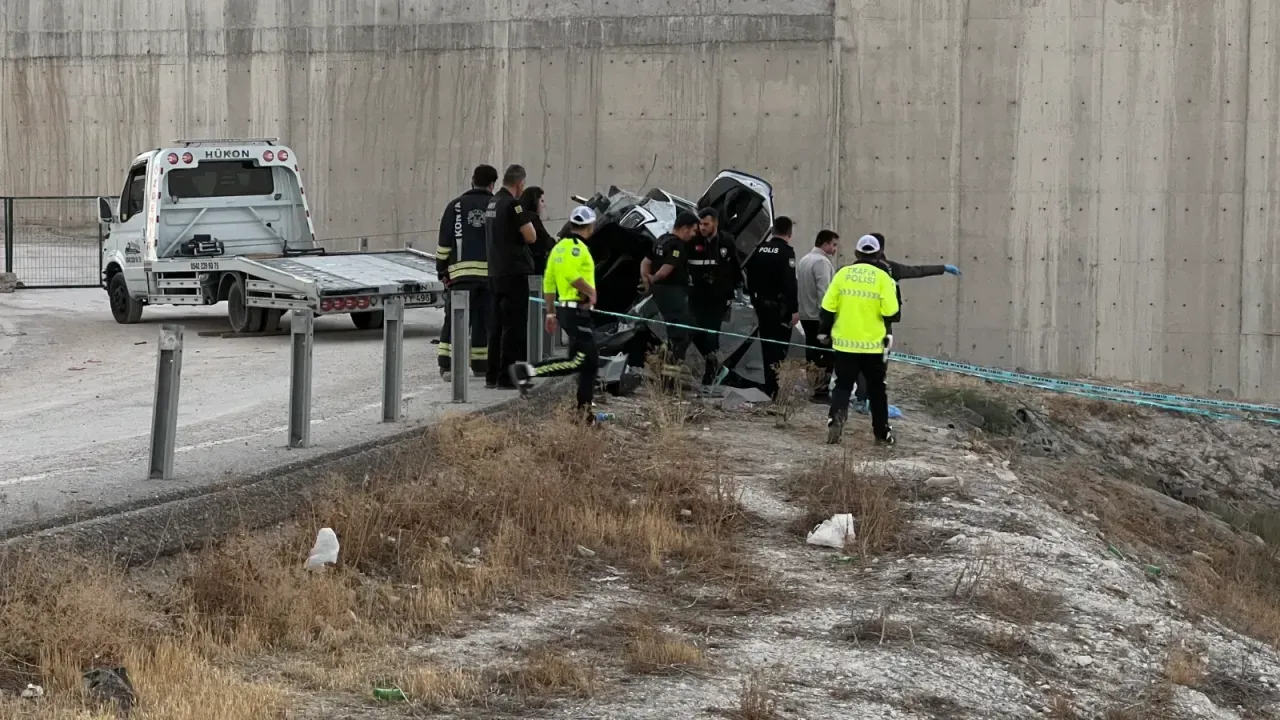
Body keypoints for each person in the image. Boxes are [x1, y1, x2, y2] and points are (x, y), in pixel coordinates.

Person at [851, 231, 962, 412]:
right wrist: (943, 268)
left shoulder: (851, 271)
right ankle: (869, 400)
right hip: (881, 323)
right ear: (881, 249)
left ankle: (861, 399)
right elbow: (917, 271)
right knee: (878, 363)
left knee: (859, 363)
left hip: (856, 321)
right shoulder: (889, 269)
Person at [510, 206, 600, 421]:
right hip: (577, 310)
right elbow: (570, 274)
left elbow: (549, 282)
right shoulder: (577, 248)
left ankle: (584, 414)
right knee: (579, 361)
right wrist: (591, 291)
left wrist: (551, 313)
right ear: (590, 226)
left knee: (589, 363)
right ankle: (528, 371)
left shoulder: (558, 248)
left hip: (566, 310)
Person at [818, 233, 900, 445]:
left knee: (843, 385)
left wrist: (824, 331)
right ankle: (881, 433)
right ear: (878, 254)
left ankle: (836, 419)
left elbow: (827, 306)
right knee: (877, 389)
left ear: (856, 253)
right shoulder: (883, 278)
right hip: (873, 346)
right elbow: (892, 312)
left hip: (845, 343)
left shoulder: (843, 274)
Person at [435, 164, 498, 380]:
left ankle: (447, 366)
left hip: (460, 278)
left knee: (455, 320)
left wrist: (442, 270)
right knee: (484, 321)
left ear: (472, 181)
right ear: (492, 184)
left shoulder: (455, 206)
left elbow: (444, 244)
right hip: (489, 277)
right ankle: (481, 365)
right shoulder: (496, 205)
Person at [484, 164, 538, 389]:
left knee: (496, 327)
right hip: (514, 272)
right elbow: (531, 236)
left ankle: (492, 376)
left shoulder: (493, 202)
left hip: (495, 271)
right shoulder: (513, 204)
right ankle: (508, 377)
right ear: (520, 183)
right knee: (514, 327)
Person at [744, 216, 799, 400]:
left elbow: (750, 277)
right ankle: (775, 390)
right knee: (779, 350)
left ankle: (769, 387)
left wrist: (754, 300)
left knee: (766, 347)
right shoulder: (786, 252)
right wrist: (794, 309)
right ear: (789, 233)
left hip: (761, 306)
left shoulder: (759, 249)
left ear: (773, 230)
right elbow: (790, 283)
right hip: (779, 310)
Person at [687, 207, 743, 386]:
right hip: (697, 294)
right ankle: (717, 367)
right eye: (700, 224)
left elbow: (735, 265)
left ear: (715, 223)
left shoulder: (727, 240)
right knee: (694, 331)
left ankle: (711, 374)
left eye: (706, 224)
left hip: (718, 296)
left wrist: (739, 288)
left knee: (712, 334)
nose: (702, 228)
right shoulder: (694, 240)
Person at [644, 211, 699, 377]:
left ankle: (664, 356)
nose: (694, 235)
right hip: (672, 293)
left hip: (662, 293)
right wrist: (654, 278)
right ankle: (669, 372)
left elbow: (645, 262)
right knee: (681, 334)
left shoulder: (661, 239)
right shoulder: (677, 245)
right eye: (693, 230)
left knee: (688, 326)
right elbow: (666, 270)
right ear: (685, 228)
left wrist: (647, 280)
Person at [797, 230, 839, 401]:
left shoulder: (804, 260)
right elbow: (825, 293)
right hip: (819, 317)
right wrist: (829, 318)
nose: (835, 249)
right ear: (825, 243)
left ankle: (813, 387)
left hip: (805, 315)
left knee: (812, 353)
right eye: (833, 245)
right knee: (827, 355)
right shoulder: (822, 262)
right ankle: (821, 391)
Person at [519, 186, 557, 275]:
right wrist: (554, 240)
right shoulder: (532, 218)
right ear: (534, 201)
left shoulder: (520, 216)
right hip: (534, 267)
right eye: (541, 201)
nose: (543, 205)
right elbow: (544, 241)